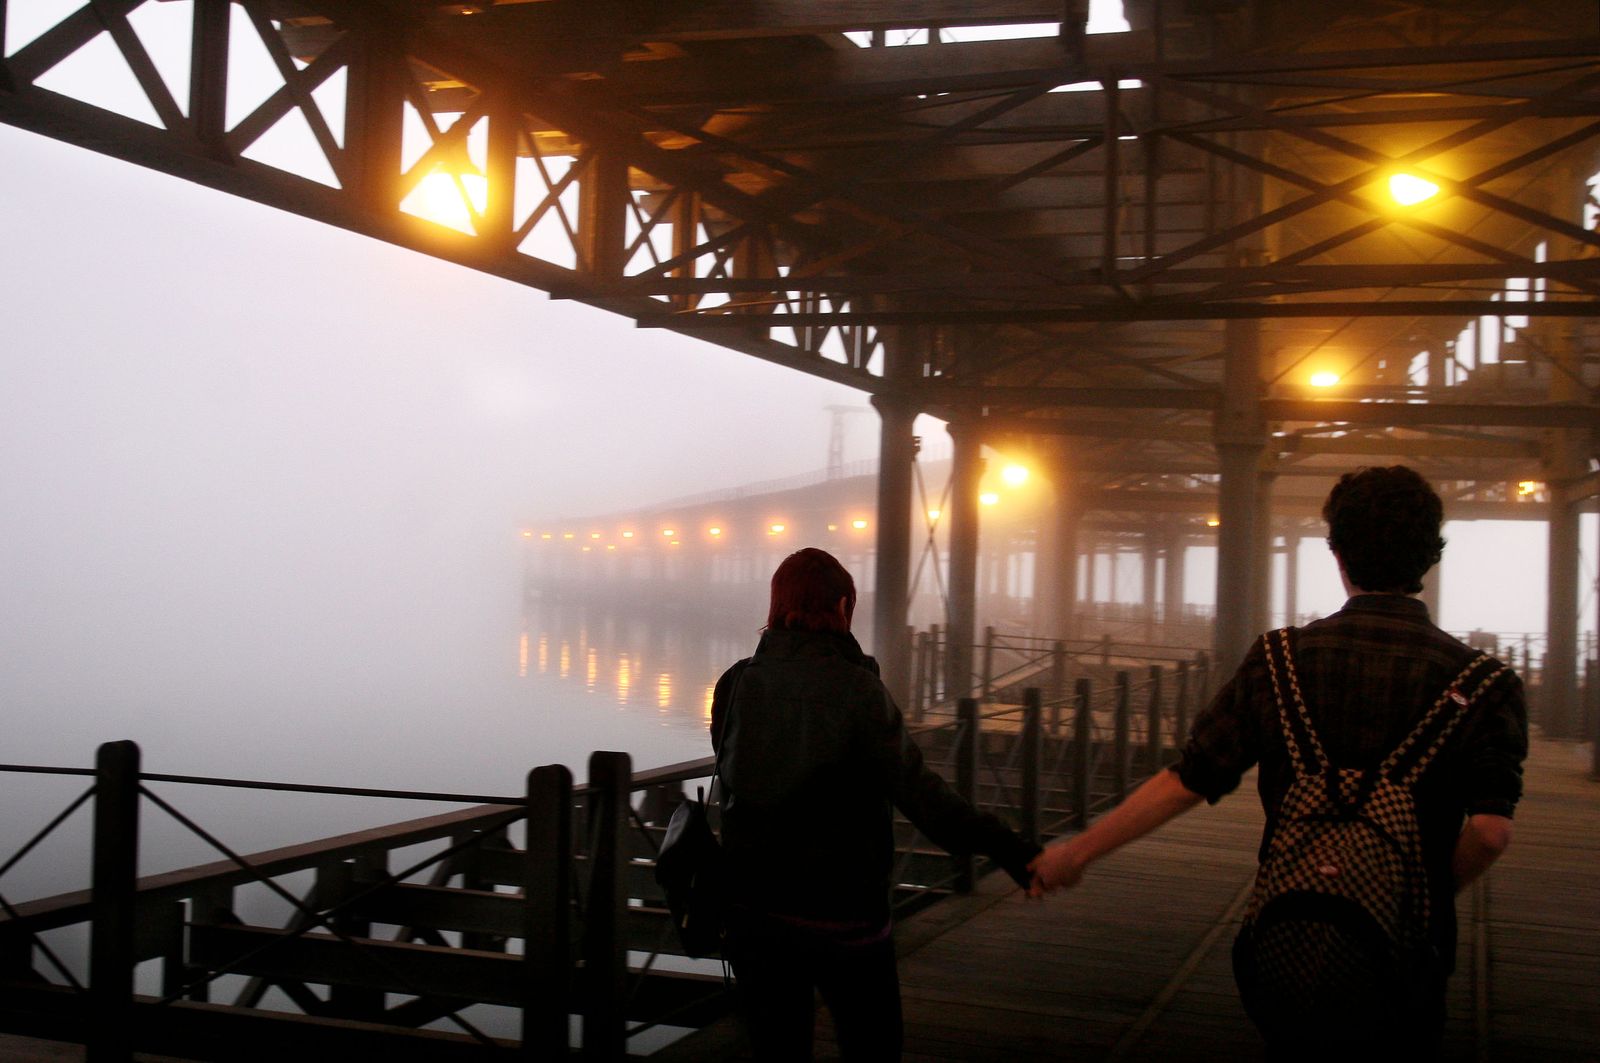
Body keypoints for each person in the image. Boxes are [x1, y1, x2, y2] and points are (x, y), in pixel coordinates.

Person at [1029, 465, 1528, 1055]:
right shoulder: (1485, 682)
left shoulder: (1280, 659)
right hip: (1408, 954)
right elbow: (1490, 834)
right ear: (1429, 557)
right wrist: (1410, 894)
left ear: (1337, 554)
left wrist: (1074, 854)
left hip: (1289, 932)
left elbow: (1188, 780)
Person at [711, 547, 1038, 1061]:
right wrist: (1012, 850)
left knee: (778, 1052)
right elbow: (921, 794)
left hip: (755, 914)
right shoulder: (861, 691)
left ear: (775, 606)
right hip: (844, 915)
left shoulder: (735, 684)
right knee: (872, 1047)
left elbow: (735, 778)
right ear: (844, 606)